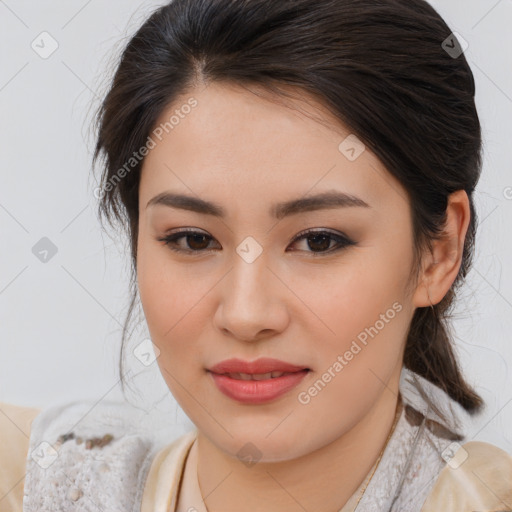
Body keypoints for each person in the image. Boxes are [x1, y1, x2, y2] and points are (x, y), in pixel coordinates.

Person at [1, 0, 512, 511]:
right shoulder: (36, 486)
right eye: (193, 239)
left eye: (319, 240)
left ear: (438, 253)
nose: (246, 315)